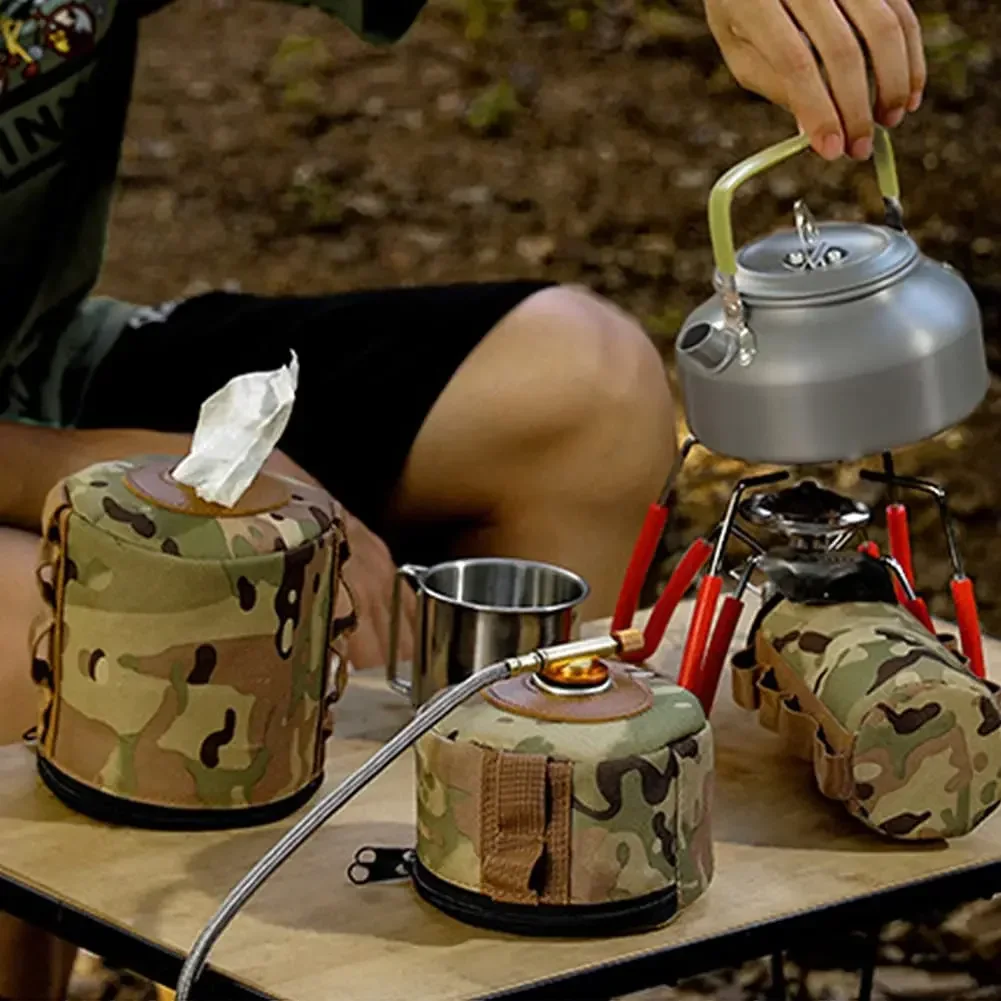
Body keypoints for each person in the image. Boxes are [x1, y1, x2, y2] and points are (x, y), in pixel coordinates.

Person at [0, 0, 925, 997]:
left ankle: (518, 896)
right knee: (88, 622)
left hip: (39, 362)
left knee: (584, 385)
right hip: (36, 439)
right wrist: (150, 481)